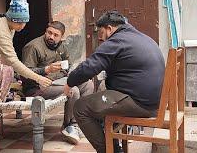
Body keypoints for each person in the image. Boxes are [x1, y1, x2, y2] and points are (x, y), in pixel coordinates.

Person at [63, 11, 165, 153]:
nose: (102, 40)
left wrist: (70, 82)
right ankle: (114, 147)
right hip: (154, 102)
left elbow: (90, 67)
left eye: (102, 34)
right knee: (101, 100)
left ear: (109, 28)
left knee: (81, 107)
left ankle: (110, 151)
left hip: (140, 103)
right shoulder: (141, 37)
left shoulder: (117, 40)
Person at [22, 21, 94, 144]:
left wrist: (66, 74)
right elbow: (24, 73)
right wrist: (47, 69)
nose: (51, 37)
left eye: (56, 35)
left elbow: (68, 64)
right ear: (45, 31)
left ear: (61, 37)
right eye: (49, 33)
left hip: (56, 82)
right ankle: (68, 126)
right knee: (72, 90)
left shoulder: (61, 46)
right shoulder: (33, 47)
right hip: (37, 87)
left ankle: (78, 123)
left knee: (88, 84)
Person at [0, 0, 52, 88]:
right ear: (11, 19)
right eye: (19, 23)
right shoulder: (1, 30)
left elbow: (2, 52)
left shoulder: (11, 27)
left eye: (25, 22)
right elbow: (12, 60)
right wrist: (38, 78)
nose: (22, 26)